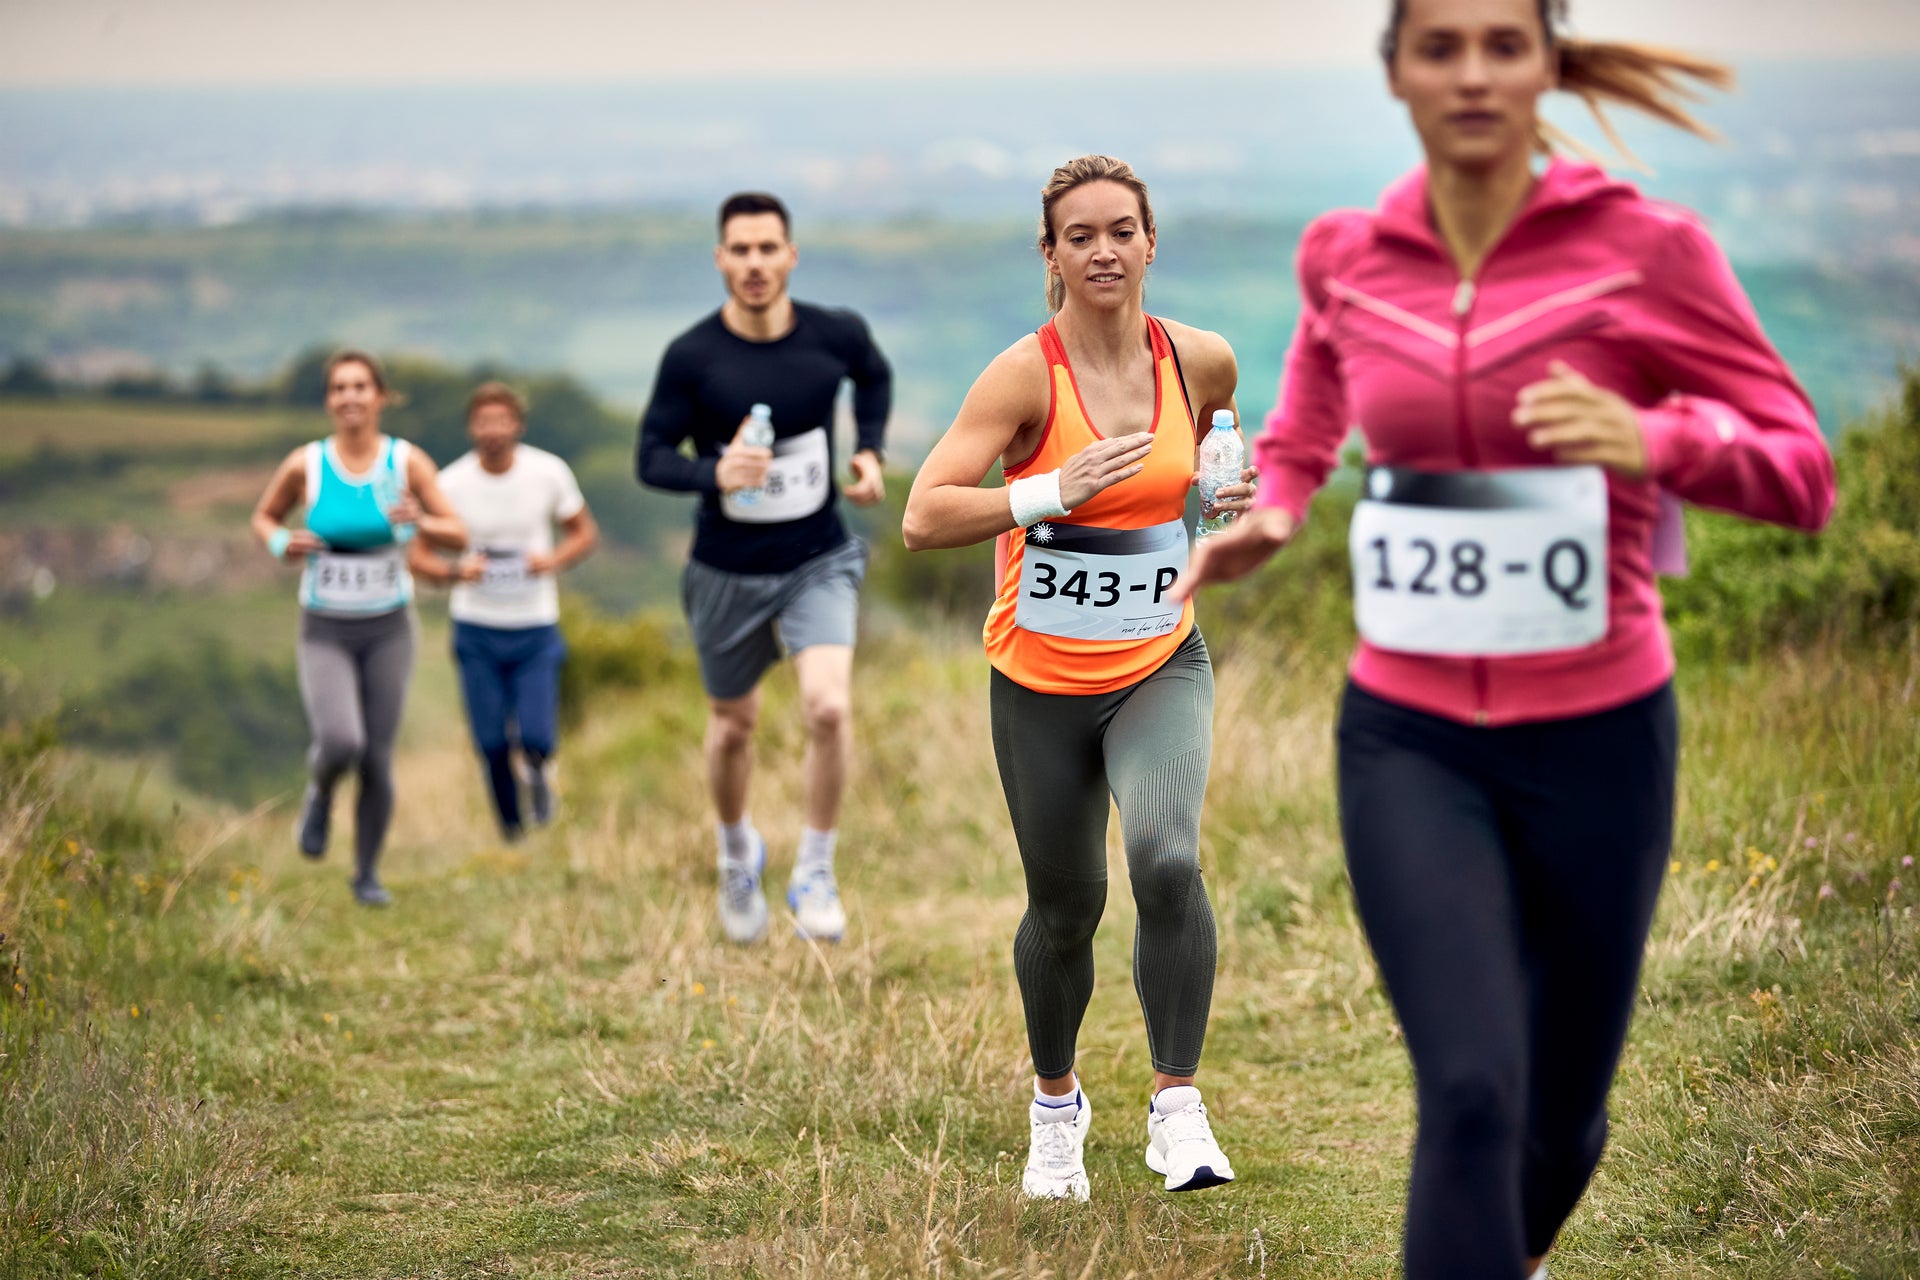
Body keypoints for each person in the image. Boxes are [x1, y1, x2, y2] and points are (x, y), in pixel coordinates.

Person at [1173, 3, 1835, 1274]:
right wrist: (1286, 508)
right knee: (1472, 1086)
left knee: (1561, 1116)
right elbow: (1312, 418)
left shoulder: (1648, 252)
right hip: (1410, 740)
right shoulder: (1348, 256)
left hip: (1601, 736)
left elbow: (1803, 474)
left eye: (1503, 43)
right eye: (1440, 46)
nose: (1472, 72)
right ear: (1396, 74)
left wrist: (1661, 441)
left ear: (1548, 63)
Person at [903, 156, 1256, 1201]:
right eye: (1079, 235)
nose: (1103, 250)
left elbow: (1230, 455)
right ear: (1049, 255)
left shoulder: (1202, 361)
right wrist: (1046, 490)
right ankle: (1056, 1109)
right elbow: (924, 514)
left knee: (1168, 858)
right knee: (1066, 908)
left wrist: (1227, 491)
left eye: (1121, 230)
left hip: (1159, 659)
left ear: (1151, 243)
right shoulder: (1024, 376)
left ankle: (1176, 1108)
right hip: (1041, 683)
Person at [636, 191, 892, 946]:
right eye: (739, 250)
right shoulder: (692, 357)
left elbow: (872, 377)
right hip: (725, 569)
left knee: (827, 708)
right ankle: (736, 852)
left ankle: (815, 866)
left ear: (790, 255)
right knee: (732, 728)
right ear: (720, 259)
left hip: (818, 557)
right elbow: (650, 457)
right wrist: (713, 473)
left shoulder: (834, 335)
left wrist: (870, 450)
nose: (754, 263)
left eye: (767, 248)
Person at [251, 349, 467, 906]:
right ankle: (320, 790)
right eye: (339, 388)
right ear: (329, 400)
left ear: (379, 397)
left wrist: (421, 519)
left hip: (389, 628)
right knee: (341, 739)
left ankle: (366, 873)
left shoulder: (404, 462)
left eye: (360, 387)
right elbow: (264, 516)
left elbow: (457, 533)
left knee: (376, 756)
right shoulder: (308, 464)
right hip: (325, 626)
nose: (349, 397)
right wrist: (281, 542)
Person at [411, 381, 599, 840]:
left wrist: (551, 561)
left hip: (535, 624)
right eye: (483, 422)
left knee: (537, 737)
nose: (493, 431)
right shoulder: (450, 484)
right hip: (476, 626)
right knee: (491, 742)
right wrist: (457, 573)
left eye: (502, 421)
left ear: (518, 425)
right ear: (471, 428)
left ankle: (537, 780)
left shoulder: (548, 472)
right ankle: (512, 832)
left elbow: (583, 532)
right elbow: (418, 555)